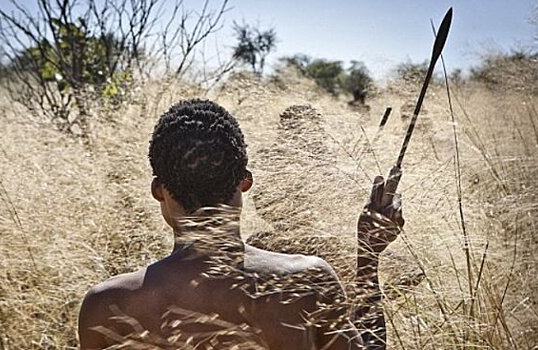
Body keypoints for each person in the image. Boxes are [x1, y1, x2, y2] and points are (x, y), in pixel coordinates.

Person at [78, 99, 404, 349]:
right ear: (245, 181)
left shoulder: (106, 306)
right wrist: (368, 256)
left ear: (158, 190)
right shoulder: (308, 282)